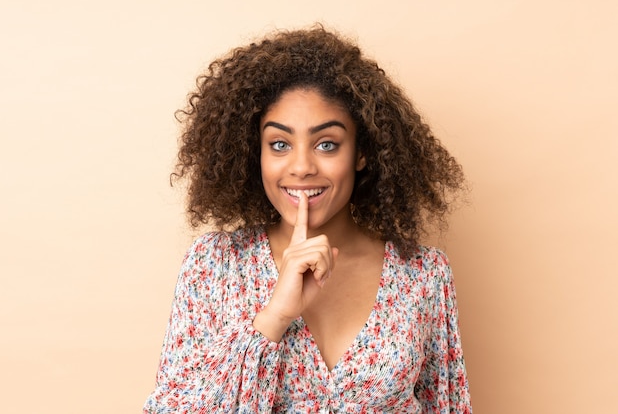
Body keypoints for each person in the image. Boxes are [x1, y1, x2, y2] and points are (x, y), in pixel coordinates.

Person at [144, 25, 471, 413]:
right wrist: (275, 317)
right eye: (279, 144)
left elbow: (448, 406)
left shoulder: (422, 274)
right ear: (256, 154)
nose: (301, 167)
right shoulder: (214, 266)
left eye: (326, 144)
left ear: (361, 153)